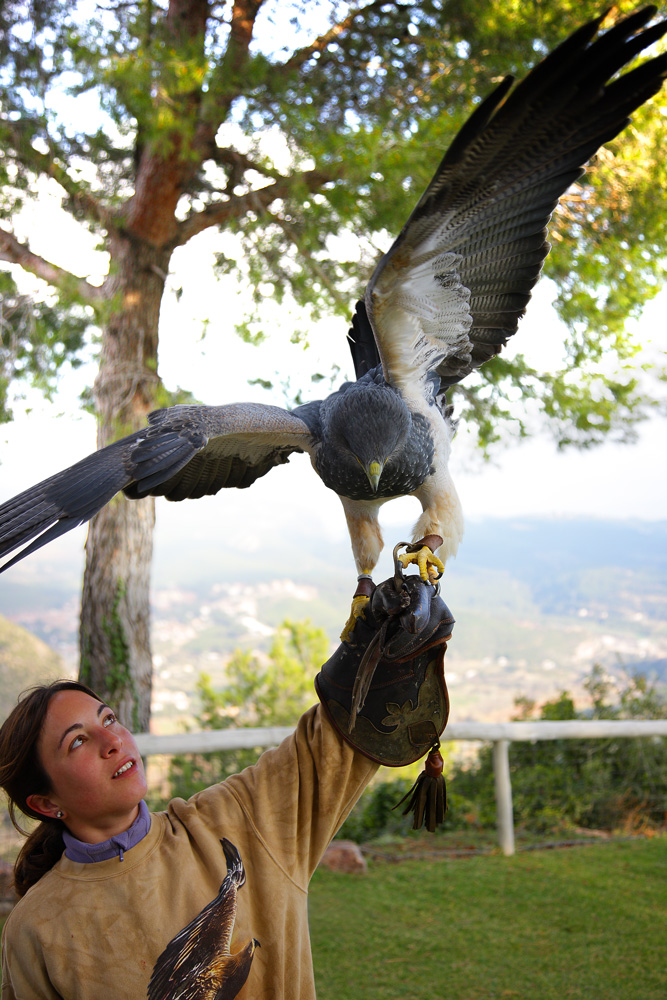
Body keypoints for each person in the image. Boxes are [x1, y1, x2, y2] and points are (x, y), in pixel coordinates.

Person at [0, 679, 378, 1000]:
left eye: (109, 718)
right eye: (78, 741)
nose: (111, 740)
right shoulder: (34, 927)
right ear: (47, 803)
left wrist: (378, 652)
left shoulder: (236, 817)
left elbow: (335, 739)